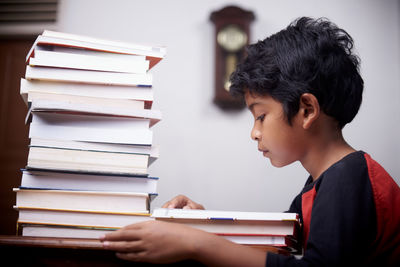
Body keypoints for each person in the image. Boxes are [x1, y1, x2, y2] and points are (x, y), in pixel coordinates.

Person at [100, 17, 400, 266]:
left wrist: (195, 242)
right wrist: (203, 224)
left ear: (306, 110)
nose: (254, 132)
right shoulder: (321, 184)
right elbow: (272, 246)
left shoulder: (347, 179)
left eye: (260, 116)